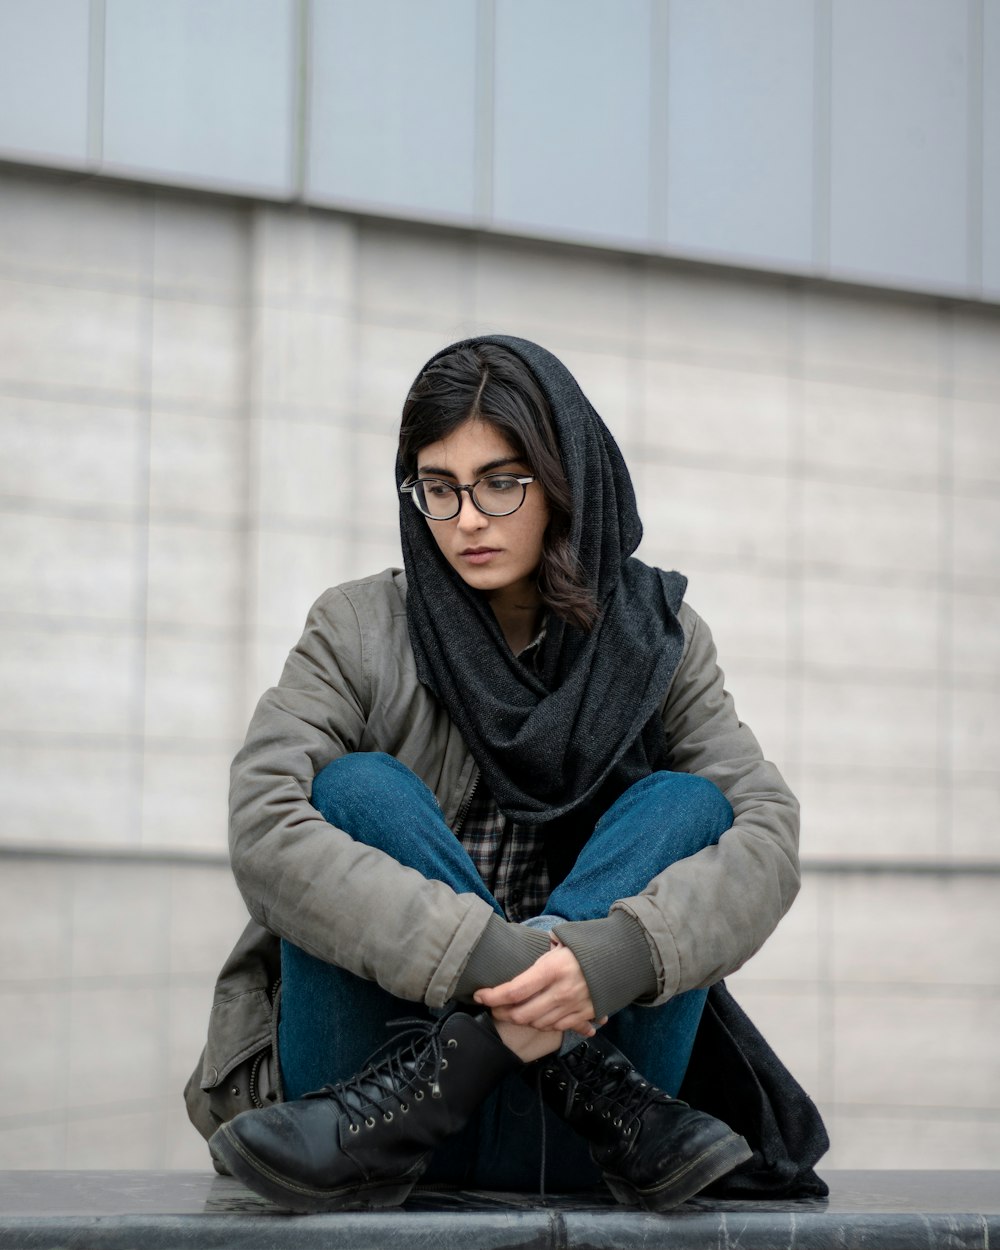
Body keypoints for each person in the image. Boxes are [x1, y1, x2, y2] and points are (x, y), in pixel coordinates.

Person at [195, 335, 819, 1213]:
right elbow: (265, 821)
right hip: (367, 1117)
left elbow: (768, 837)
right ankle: (498, 1060)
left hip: (591, 1133)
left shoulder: (660, 642)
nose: (468, 520)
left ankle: (523, 1065)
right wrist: (502, 961)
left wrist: (610, 958)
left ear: (565, 479)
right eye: (438, 487)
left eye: (500, 482)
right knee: (354, 792)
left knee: (688, 805)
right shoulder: (359, 626)